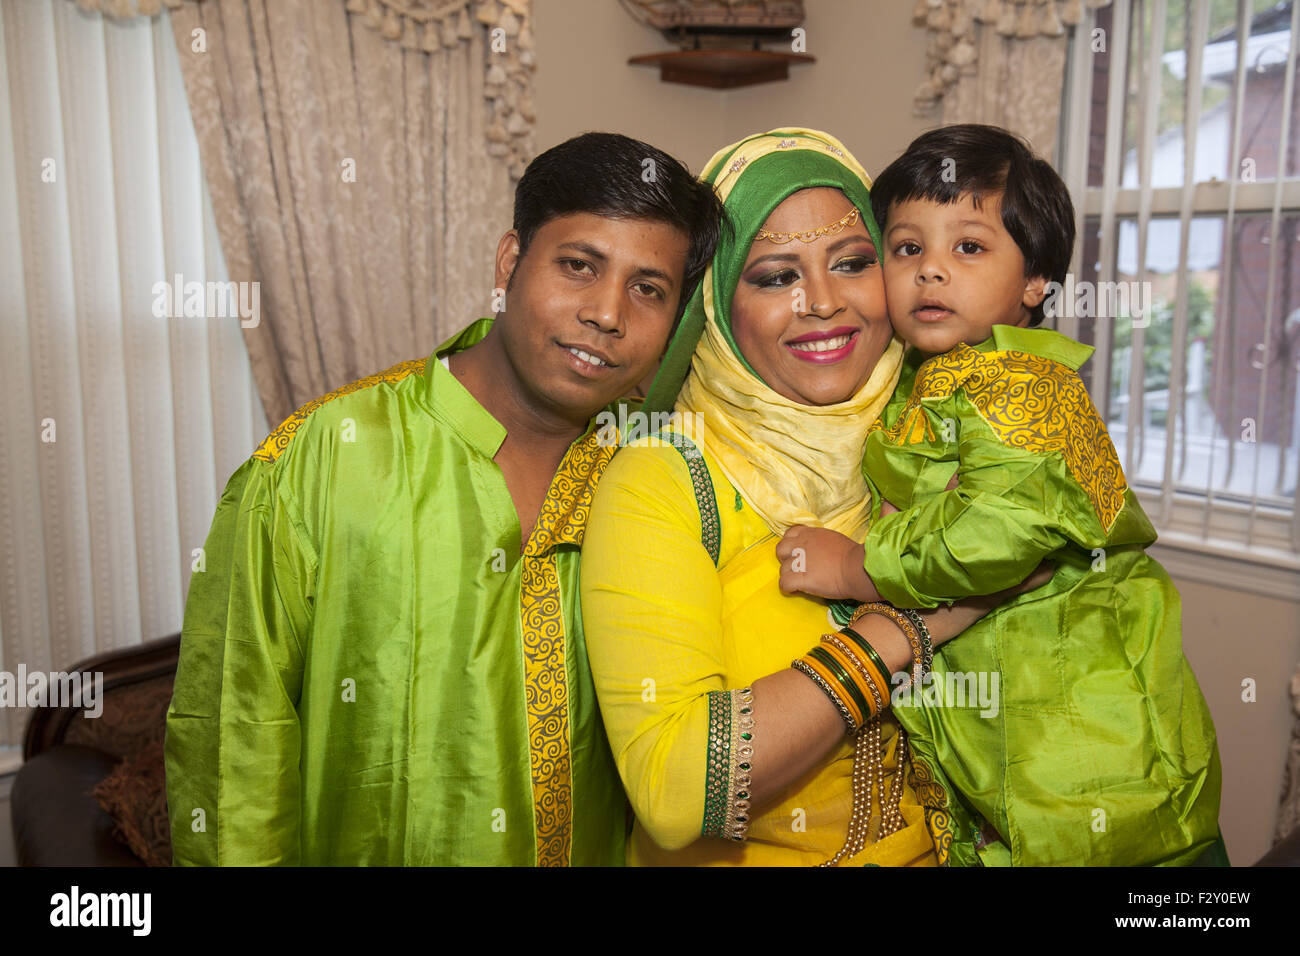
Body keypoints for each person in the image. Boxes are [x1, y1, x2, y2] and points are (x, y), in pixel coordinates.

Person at [164, 132, 725, 866]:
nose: (607, 313)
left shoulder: (660, 482)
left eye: (647, 290)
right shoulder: (320, 461)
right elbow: (232, 746)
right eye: (579, 266)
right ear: (509, 263)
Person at [579, 128, 1052, 866]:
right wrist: (917, 619)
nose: (823, 303)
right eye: (774, 277)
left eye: (854, 262)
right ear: (715, 302)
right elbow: (675, 793)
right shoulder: (662, 478)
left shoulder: (937, 429)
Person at [776, 124, 1223, 866]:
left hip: (1089, 758)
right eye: (907, 248)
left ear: (1035, 281)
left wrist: (853, 568)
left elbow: (993, 538)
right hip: (1006, 752)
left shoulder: (1023, 386)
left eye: (969, 247)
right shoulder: (930, 377)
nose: (930, 272)